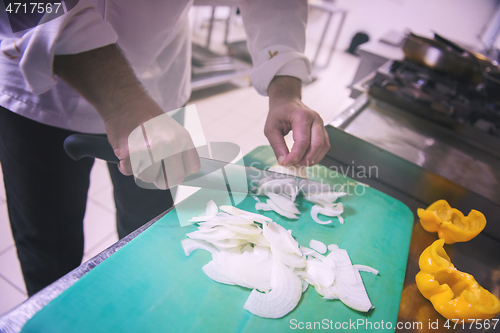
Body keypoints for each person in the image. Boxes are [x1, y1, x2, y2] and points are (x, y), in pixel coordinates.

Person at [0, 0, 330, 296]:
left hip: (161, 84)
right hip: (39, 92)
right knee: (49, 253)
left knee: (153, 236)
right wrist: (123, 102)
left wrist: (285, 88)